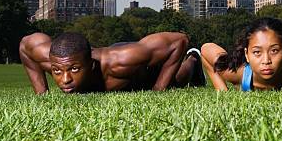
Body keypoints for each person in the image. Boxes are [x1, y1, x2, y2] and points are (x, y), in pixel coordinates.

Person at [19, 31, 206, 94]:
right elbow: (26, 44)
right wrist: (42, 93)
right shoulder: (57, 59)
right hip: (110, 54)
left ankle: (193, 60)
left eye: (74, 69)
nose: (65, 79)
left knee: (178, 81)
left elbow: (178, 40)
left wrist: (159, 88)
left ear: (91, 65)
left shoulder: (121, 62)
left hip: (140, 72)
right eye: (57, 72)